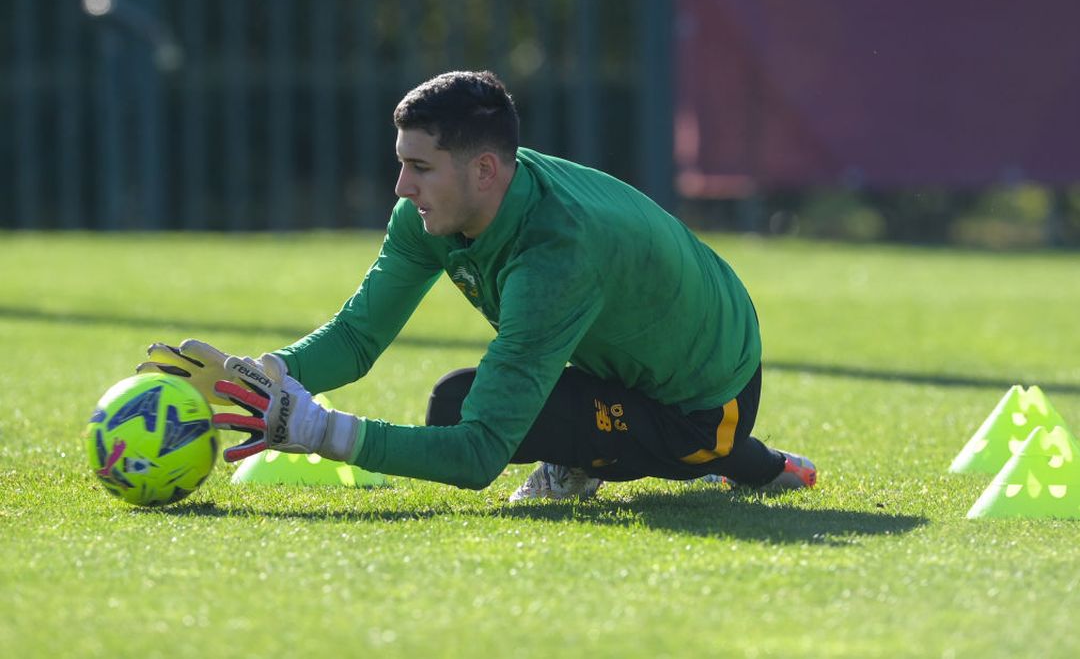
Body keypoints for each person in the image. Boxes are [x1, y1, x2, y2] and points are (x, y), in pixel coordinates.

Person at [138, 70, 816, 501]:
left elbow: (476, 457)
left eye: (419, 168)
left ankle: (735, 458)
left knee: (473, 422)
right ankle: (708, 460)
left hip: (707, 397)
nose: (402, 187)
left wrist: (318, 429)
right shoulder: (433, 212)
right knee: (455, 400)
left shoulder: (557, 255)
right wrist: (258, 375)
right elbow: (358, 335)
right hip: (630, 358)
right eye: (401, 163)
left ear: (485, 171)